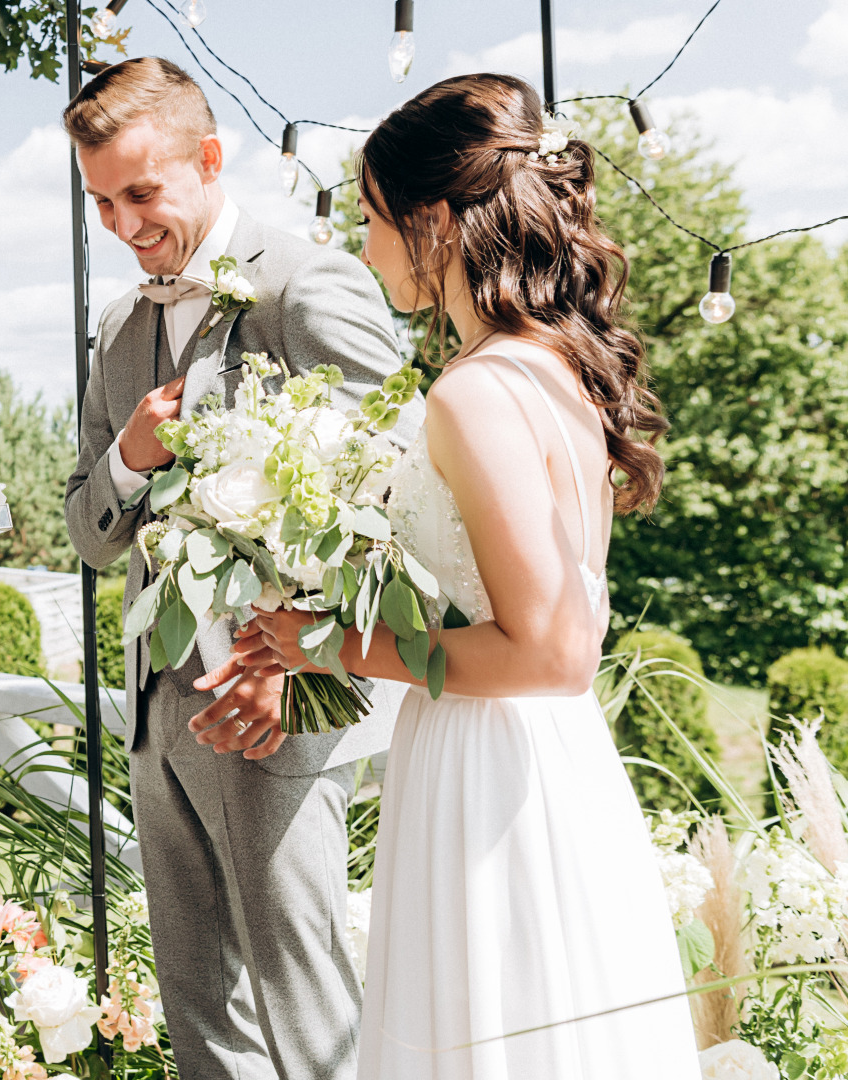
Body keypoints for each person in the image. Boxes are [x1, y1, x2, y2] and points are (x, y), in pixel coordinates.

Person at [224, 74, 700, 1077]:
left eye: (370, 219)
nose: (361, 247)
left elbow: (552, 650)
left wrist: (328, 643)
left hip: (491, 771)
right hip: (550, 758)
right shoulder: (553, 366)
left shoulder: (476, 392)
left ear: (432, 219)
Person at [62, 58, 422, 1079]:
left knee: (309, 1021)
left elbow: (399, 493)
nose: (124, 224)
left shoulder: (307, 286)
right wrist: (131, 453)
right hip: (158, 713)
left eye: (142, 193)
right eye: (101, 202)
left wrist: (299, 658)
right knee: (200, 1022)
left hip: (280, 700)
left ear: (209, 159)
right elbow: (91, 538)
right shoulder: (119, 332)